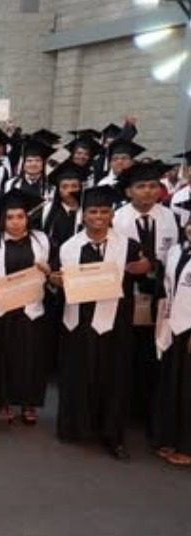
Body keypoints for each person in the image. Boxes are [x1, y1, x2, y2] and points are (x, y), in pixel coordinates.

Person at [50, 185, 150, 460]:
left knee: (113, 378)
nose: (98, 217)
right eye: (93, 211)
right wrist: (55, 280)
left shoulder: (128, 246)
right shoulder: (68, 247)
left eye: (104, 211)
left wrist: (144, 267)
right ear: (83, 215)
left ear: (112, 215)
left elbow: (144, 273)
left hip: (114, 323)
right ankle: (76, 427)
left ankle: (112, 434)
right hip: (78, 323)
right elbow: (57, 280)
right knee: (78, 374)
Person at [113, 161, 180, 436]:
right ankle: (125, 408)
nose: (148, 191)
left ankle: (150, 409)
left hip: (159, 293)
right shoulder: (117, 218)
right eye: (141, 186)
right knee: (127, 350)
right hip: (127, 292)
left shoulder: (169, 217)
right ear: (129, 191)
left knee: (154, 351)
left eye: (153, 186)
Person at [0, 189, 53, 423]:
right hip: (2, 307)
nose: (15, 222)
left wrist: (49, 270)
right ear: (3, 219)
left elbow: (57, 269)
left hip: (31, 309)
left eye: (20, 216)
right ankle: (3, 401)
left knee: (30, 358)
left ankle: (28, 404)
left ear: (27, 218)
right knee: (2, 357)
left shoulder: (42, 240)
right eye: (10, 217)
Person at [154, 218, 191, 466]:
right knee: (173, 383)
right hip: (173, 325)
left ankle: (187, 447)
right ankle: (171, 438)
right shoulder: (177, 250)